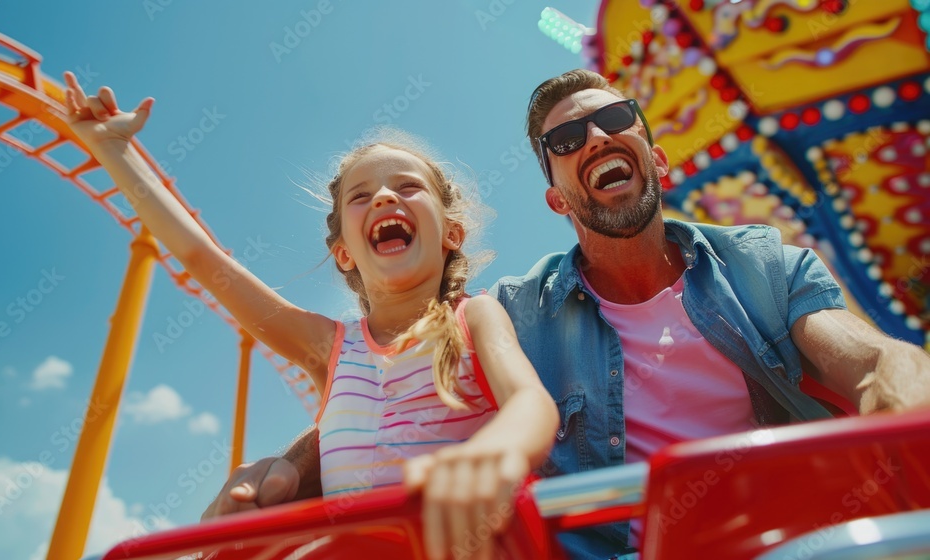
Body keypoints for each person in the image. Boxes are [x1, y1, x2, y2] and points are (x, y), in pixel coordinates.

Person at [203, 69, 930, 559]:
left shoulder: (762, 265)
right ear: (556, 195)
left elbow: (858, 356)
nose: (596, 139)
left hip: (779, 539)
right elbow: (417, 378)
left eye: (616, 119)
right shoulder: (520, 311)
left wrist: (900, 369)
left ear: (655, 154)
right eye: (564, 141)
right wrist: (293, 467)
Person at [61, 71, 559, 560]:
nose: (384, 197)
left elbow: (530, 403)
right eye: (360, 197)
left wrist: (495, 454)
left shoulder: (474, 317)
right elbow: (202, 260)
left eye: (408, 188)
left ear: (452, 233)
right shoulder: (330, 347)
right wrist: (114, 150)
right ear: (344, 253)